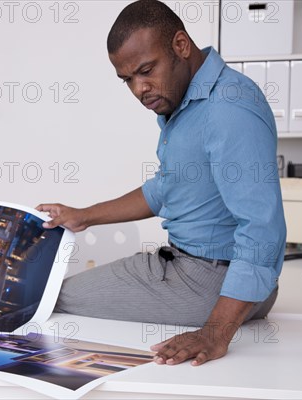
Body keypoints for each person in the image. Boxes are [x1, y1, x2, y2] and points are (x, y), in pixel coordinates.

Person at [36, 0, 286, 367]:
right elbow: (168, 188)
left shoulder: (229, 110)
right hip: (214, 275)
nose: (140, 89)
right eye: (128, 80)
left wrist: (215, 332)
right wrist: (84, 216)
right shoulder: (187, 102)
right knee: (56, 288)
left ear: (181, 46)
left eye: (146, 70)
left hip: (211, 282)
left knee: (50, 296)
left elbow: (263, 232)